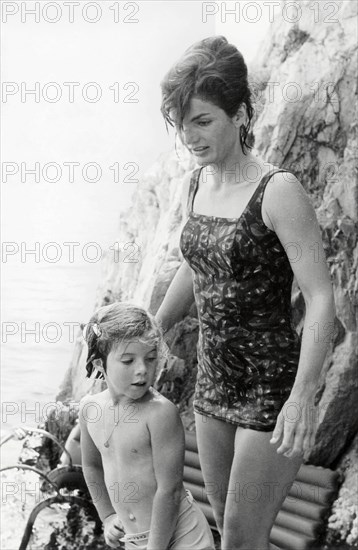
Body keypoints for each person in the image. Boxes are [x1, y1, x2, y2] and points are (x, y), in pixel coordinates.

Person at [156, 36, 335, 550]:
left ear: (239, 113)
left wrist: (302, 399)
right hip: (212, 383)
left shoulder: (278, 191)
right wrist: (154, 329)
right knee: (225, 531)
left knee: (240, 539)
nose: (190, 135)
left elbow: (320, 298)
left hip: (271, 389)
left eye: (203, 120)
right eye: (182, 122)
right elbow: (196, 265)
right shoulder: (197, 185)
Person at [79, 302, 215, 550]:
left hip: (181, 535)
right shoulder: (90, 409)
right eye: (128, 361)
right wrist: (107, 516)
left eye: (151, 358)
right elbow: (91, 465)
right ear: (100, 364)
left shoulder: (159, 413)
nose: (142, 370)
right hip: (135, 539)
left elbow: (169, 490)